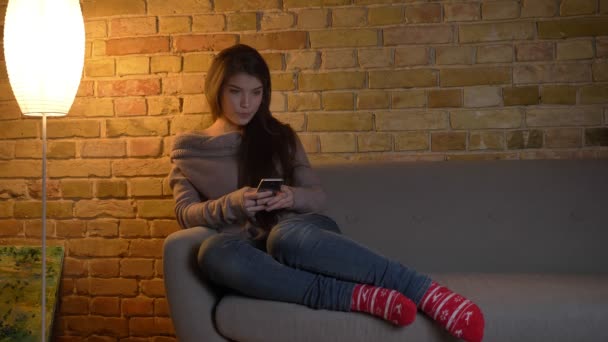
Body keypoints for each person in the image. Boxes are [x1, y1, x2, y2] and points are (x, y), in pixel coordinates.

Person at [168, 44, 485, 342]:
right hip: (251, 255)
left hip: (302, 236)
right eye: (235, 92)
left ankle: (424, 291)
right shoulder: (190, 151)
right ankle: (357, 297)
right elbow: (186, 213)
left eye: (256, 93)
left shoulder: (279, 136)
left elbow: (318, 196)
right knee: (211, 252)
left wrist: (292, 196)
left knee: (283, 237)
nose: (246, 104)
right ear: (217, 90)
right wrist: (234, 203)